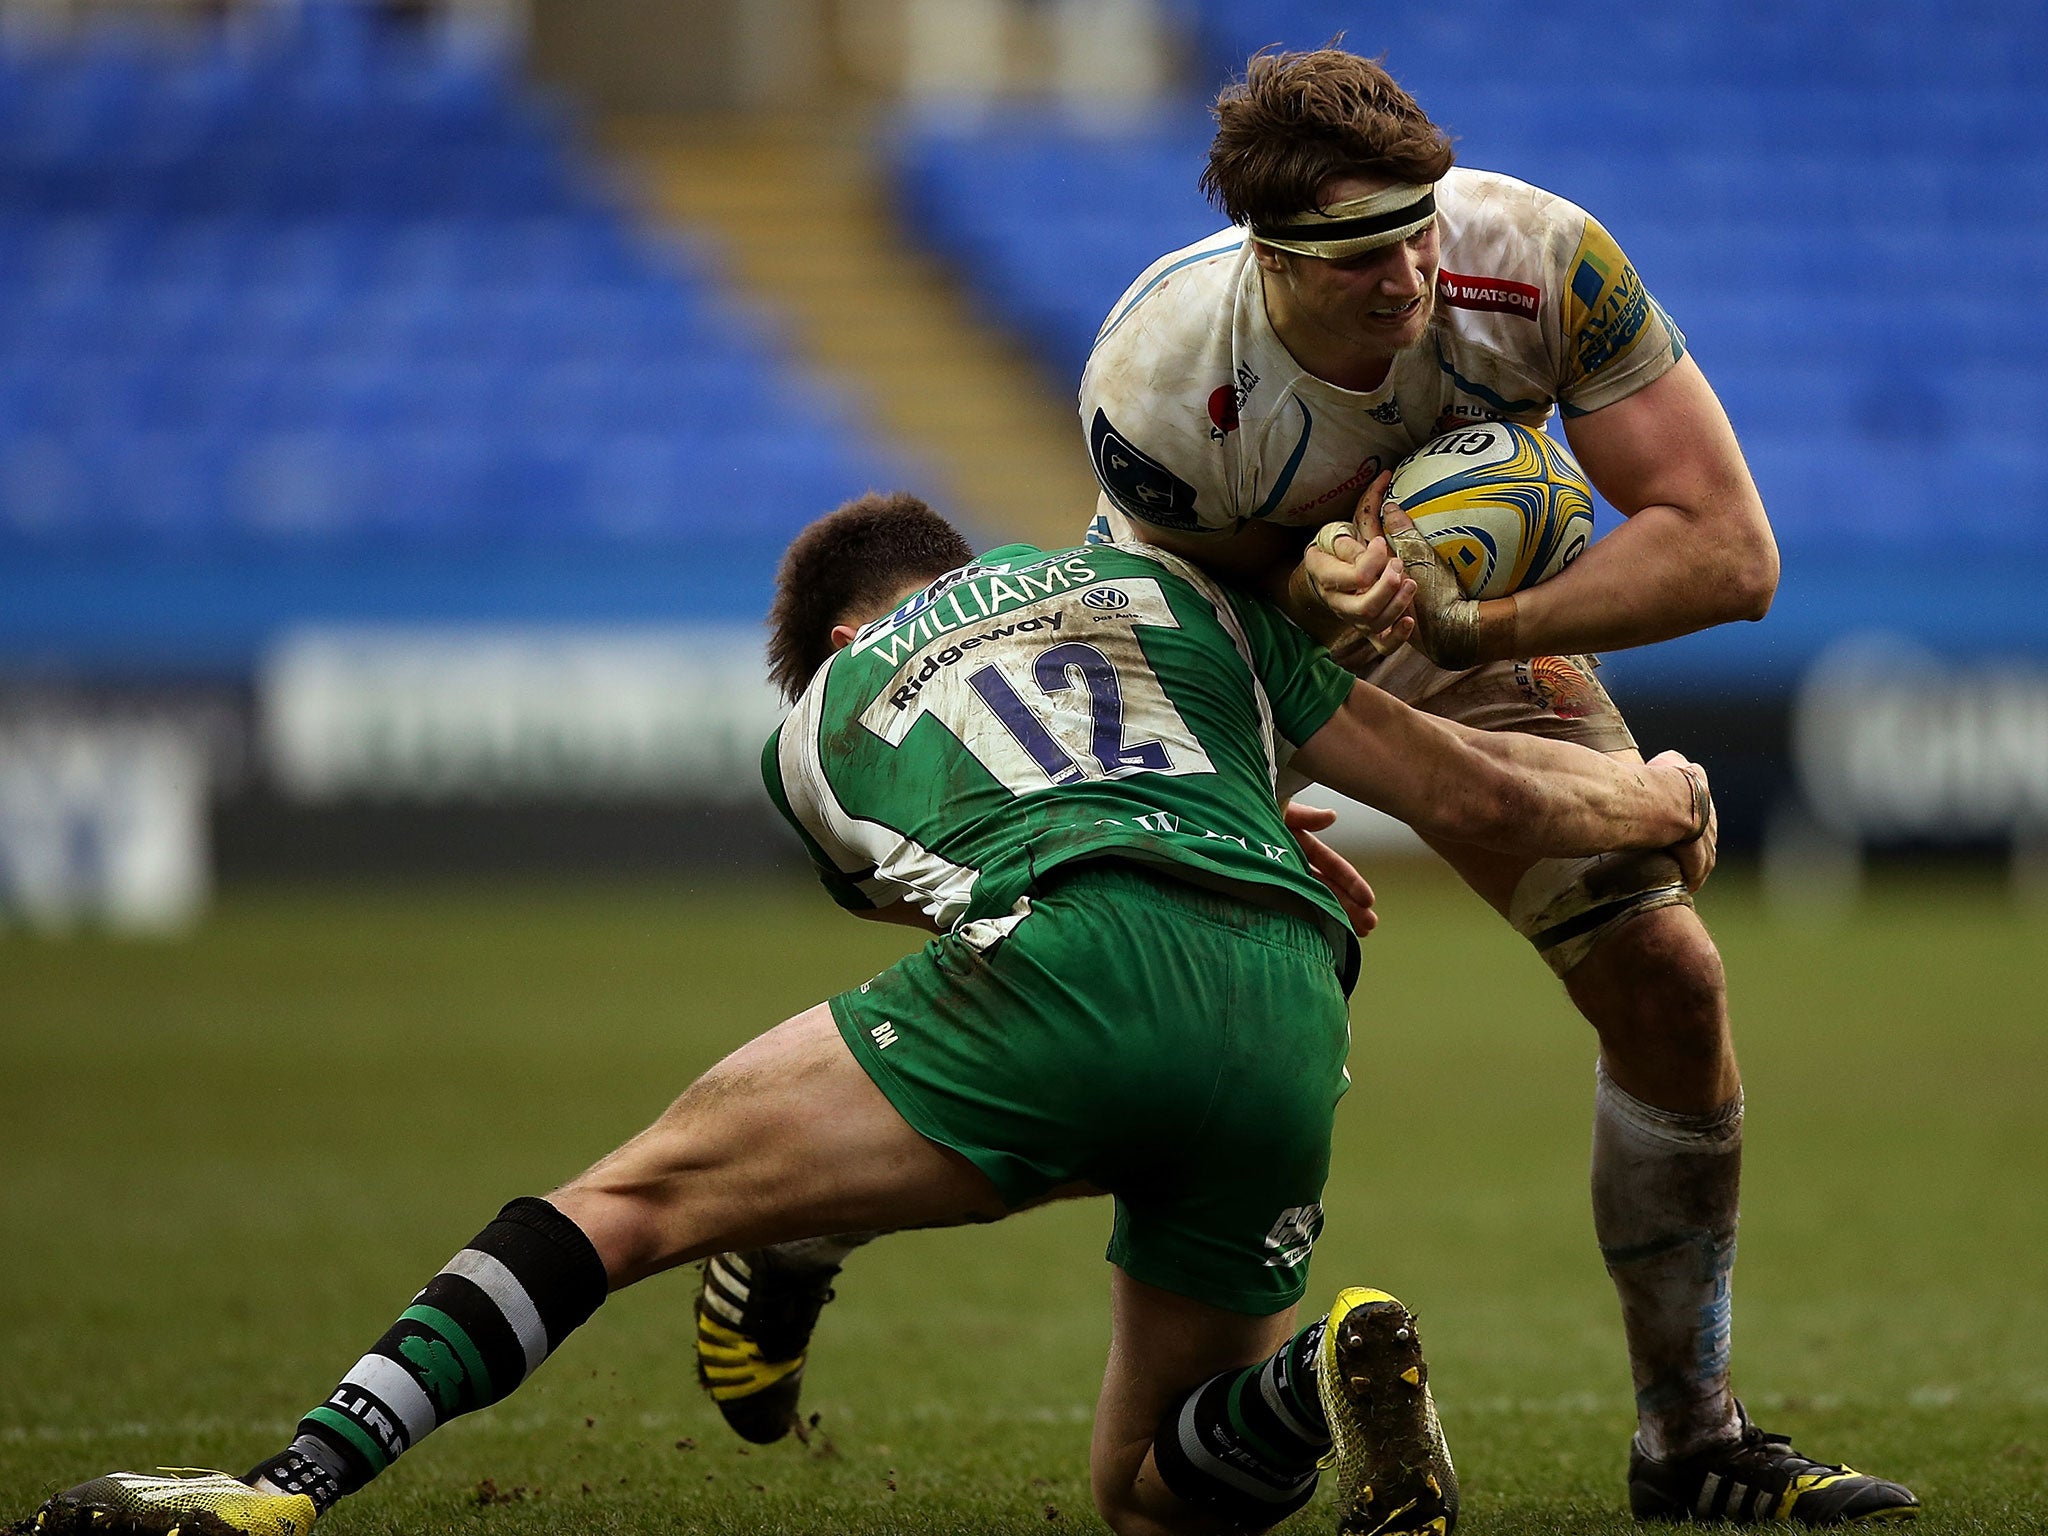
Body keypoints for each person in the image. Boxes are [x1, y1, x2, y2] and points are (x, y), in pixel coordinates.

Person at [705, 48, 1920, 1528]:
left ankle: (1692, 1441)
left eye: (1418, 227)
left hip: (1468, 625)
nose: (1407, 273)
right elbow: (1187, 629)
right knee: (1175, 1018)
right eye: (1356, 255)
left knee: (1670, 974)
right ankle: (803, 1226)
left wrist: (1482, 622)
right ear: (1264, 253)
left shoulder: (1539, 257)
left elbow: (1731, 551)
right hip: (1251, 636)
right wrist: (1244, 784)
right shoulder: (1161, 381)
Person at [37, 492, 1720, 1536]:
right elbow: (1462, 789)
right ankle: (1303, 1405)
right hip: (1290, 1002)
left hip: (1071, 973)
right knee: (1151, 1491)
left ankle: (294, 1481)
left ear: (836, 631)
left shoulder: (817, 717)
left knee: (631, 1198)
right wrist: (1649, 801)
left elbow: (954, 893)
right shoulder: (1167, 600)